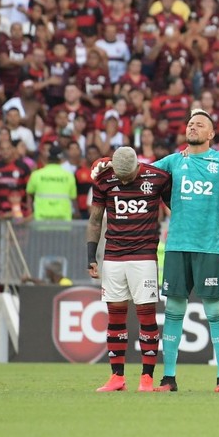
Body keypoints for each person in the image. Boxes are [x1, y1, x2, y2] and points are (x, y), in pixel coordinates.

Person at [92, 110, 219, 392]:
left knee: (215, 311)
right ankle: (168, 378)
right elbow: (134, 169)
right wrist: (106, 162)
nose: (193, 126)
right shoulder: (171, 162)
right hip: (177, 246)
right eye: (190, 123)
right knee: (174, 309)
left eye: (200, 124)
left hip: (210, 247)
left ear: (211, 134)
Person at [88, 147, 172, 393]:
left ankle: (146, 378)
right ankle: (117, 377)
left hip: (144, 257)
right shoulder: (103, 179)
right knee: (115, 316)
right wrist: (90, 256)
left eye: (129, 176)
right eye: (120, 176)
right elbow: (95, 220)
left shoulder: (158, 178)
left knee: (146, 315)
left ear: (138, 165)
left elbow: (177, 207)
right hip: (113, 256)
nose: (124, 181)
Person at [27, 144, 77, 221]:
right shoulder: (69, 176)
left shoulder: (36, 175)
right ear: (61, 160)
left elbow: (29, 194)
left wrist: (30, 211)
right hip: (63, 221)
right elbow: (73, 198)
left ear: (47, 158)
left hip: (41, 221)